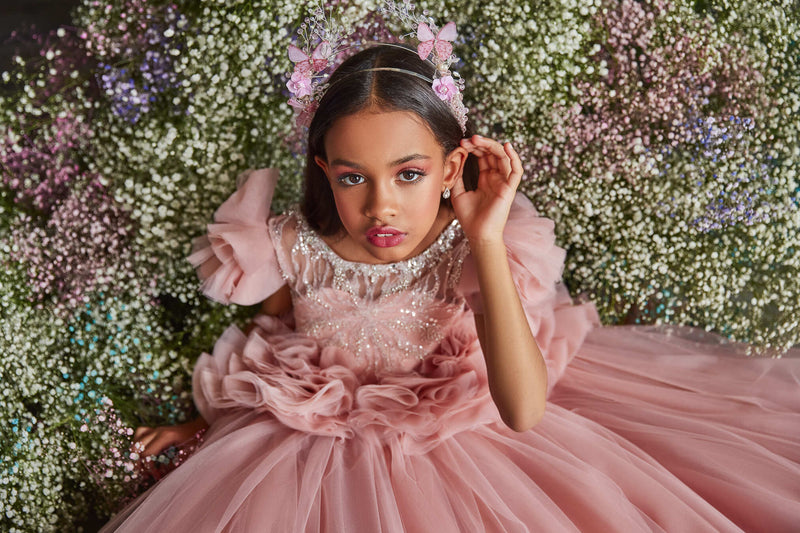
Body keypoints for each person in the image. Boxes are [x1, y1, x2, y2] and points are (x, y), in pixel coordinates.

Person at [101, 41, 800, 533]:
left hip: (454, 438)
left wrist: (486, 236)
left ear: (449, 164)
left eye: (408, 174)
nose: (381, 207)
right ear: (323, 168)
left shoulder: (466, 251)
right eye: (353, 177)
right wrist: (205, 427)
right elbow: (271, 345)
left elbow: (523, 410)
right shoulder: (290, 246)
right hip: (313, 444)